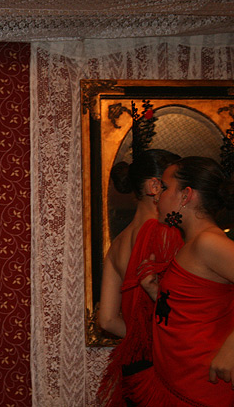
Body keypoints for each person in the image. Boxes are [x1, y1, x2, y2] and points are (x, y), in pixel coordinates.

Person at [124, 156, 234, 406]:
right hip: (177, 383)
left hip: (202, 389)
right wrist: (157, 293)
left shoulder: (209, 242)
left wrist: (232, 348)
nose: (157, 195)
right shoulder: (191, 244)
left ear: (186, 195)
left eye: (164, 187)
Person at [97, 149, 183, 406]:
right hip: (164, 367)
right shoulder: (165, 233)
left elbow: (107, 320)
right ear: (154, 187)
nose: (183, 194)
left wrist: (140, 340)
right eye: (177, 185)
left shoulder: (117, 244)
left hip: (135, 367)